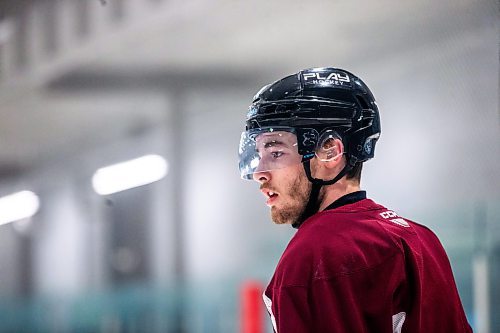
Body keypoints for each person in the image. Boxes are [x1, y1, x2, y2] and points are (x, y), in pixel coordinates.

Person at [238, 67, 472, 333]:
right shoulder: (421, 238)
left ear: (330, 151)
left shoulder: (313, 256)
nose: (259, 173)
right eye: (258, 153)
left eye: (276, 152)